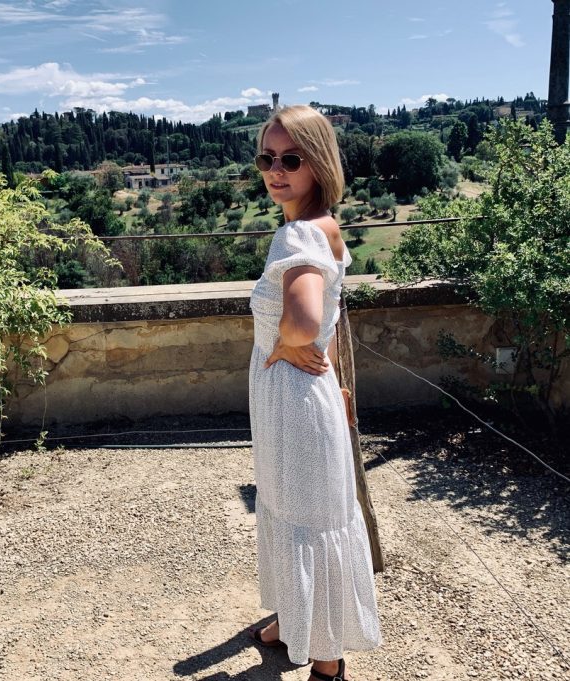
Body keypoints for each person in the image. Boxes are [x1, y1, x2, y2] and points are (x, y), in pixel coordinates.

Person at [246, 105, 381, 681]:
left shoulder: (296, 233)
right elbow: (328, 316)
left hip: (294, 402)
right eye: (267, 158)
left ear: (317, 162)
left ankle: (326, 660)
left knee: (304, 518)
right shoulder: (327, 225)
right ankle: (291, 623)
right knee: (296, 511)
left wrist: (280, 341)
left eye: (291, 159)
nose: (276, 170)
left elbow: (304, 322)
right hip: (307, 398)